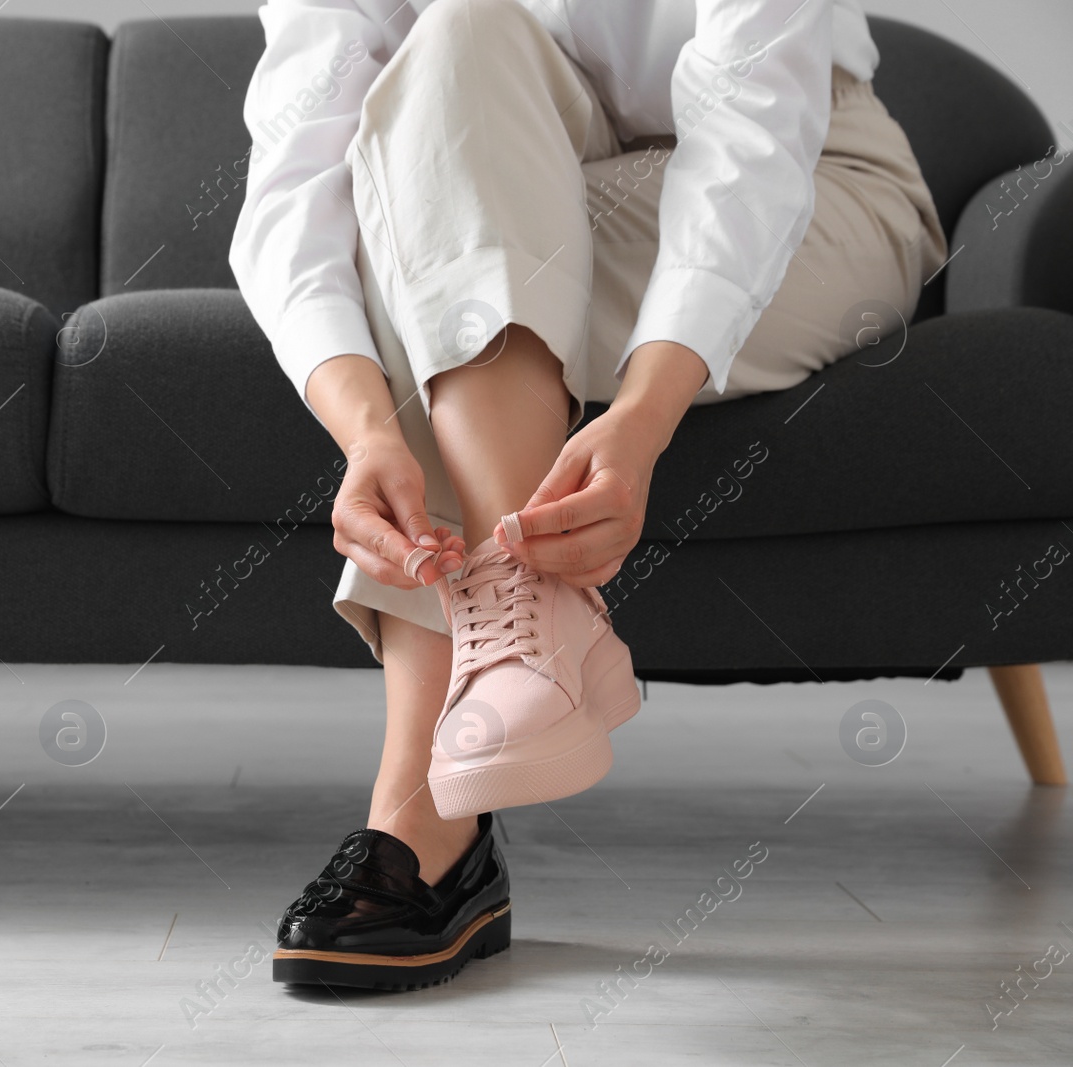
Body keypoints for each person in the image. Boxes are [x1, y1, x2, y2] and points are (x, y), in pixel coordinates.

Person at [228, 0, 945, 990]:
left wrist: (646, 413)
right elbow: (298, 173)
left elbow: (751, 129)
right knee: (459, 48)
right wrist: (365, 434)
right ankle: (527, 641)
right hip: (513, 179)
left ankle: (426, 810)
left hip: (808, 177)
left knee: (435, 261)